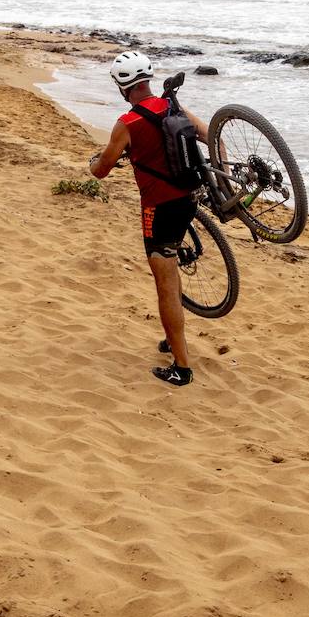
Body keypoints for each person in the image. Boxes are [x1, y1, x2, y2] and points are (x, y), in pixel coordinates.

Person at [89, 52, 209, 387]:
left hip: (158, 210)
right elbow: (208, 134)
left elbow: (101, 170)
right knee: (171, 268)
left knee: (165, 285)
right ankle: (172, 339)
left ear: (122, 86)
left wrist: (93, 162)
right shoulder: (173, 106)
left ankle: (182, 368)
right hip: (189, 199)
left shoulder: (127, 124)